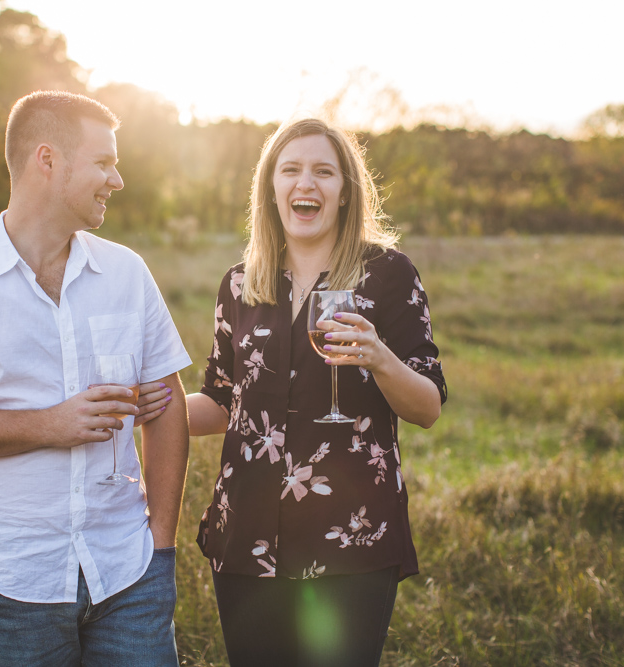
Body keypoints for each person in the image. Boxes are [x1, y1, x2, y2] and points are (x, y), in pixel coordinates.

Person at [0, 91, 190, 667]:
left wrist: (161, 542)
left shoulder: (127, 272)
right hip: (9, 580)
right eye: (103, 162)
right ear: (47, 160)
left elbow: (167, 400)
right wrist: (49, 425)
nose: (117, 180)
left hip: (128, 569)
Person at [178, 118, 447, 666]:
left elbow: (427, 408)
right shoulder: (241, 282)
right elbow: (223, 402)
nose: (306, 183)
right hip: (247, 537)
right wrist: (144, 407)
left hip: (350, 538)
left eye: (324, 171)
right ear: (270, 187)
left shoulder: (388, 275)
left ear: (345, 191)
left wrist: (379, 357)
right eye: (291, 170)